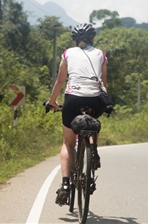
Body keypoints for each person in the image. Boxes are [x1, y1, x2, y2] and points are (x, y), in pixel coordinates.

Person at [47, 23, 108, 206]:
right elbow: (104, 83)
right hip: (96, 100)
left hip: (72, 99)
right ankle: (93, 151)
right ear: (93, 39)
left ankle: (65, 185)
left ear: (75, 40)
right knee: (91, 122)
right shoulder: (100, 54)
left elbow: (60, 81)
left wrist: (52, 102)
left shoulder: (68, 54)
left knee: (67, 142)